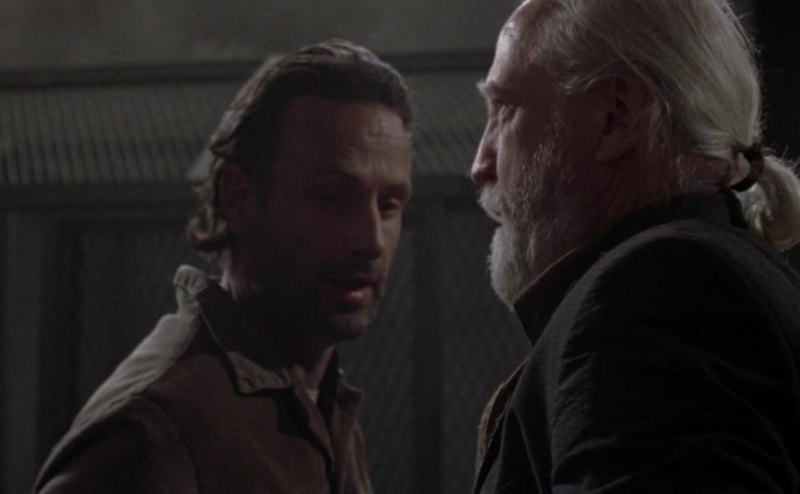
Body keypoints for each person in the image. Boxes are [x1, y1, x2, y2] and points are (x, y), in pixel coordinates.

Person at [34, 39, 413, 493]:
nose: (371, 241)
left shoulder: (318, 402)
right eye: (331, 197)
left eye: (389, 205)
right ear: (239, 198)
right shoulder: (155, 429)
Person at [471, 0, 800, 492]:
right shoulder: (713, 280)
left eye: (505, 110)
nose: (481, 163)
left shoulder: (654, 295)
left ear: (616, 117)